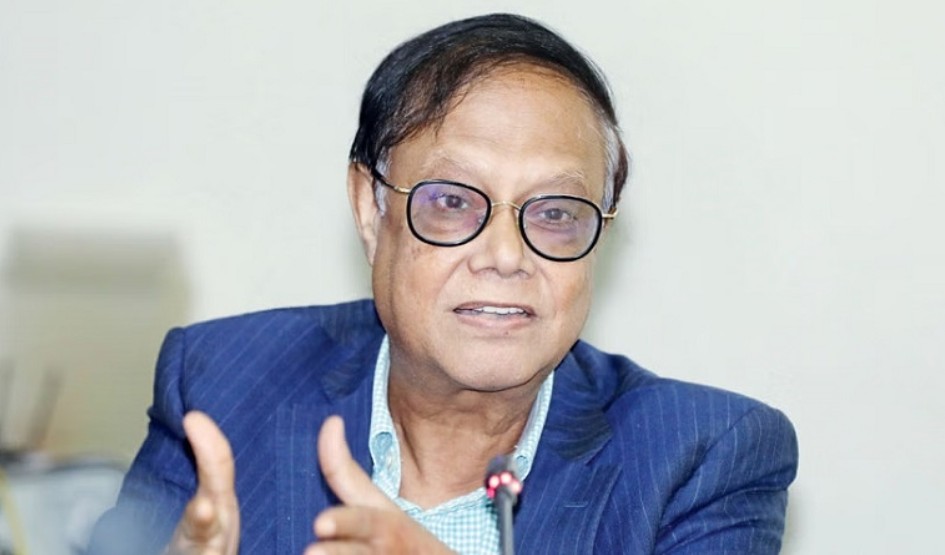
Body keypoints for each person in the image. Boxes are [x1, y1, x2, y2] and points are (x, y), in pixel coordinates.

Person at [88, 13, 798, 555]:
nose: (505, 256)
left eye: (554, 213)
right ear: (371, 208)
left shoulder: (701, 457)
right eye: (453, 202)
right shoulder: (223, 384)